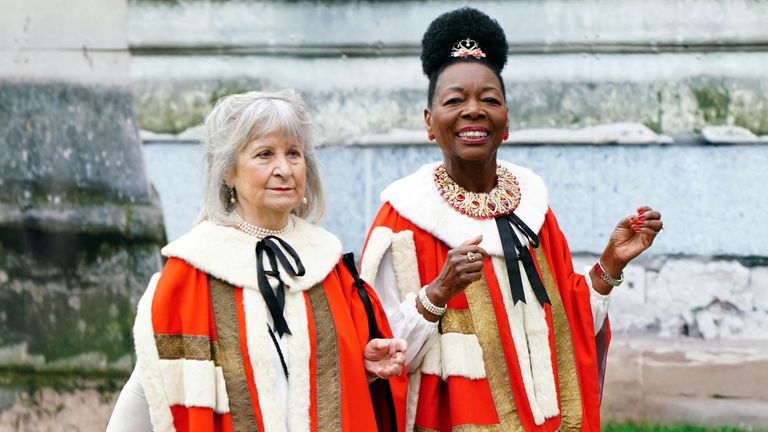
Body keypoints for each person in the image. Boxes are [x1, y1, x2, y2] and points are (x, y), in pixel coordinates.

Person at [359, 8, 663, 431]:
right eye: (454, 101)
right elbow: (382, 354)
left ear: (507, 122)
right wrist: (438, 292)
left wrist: (610, 264)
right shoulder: (403, 220)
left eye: (489, 100)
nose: (473, 110)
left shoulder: (532, 210)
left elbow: (569, 324)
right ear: (429, 123)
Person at [106, 90, 407, 432]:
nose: (284, 169)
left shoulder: (329, 266)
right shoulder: (193, 269)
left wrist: (359, 367)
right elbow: (153, 384)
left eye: (293, 153)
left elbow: (323, 390)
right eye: (264, 154)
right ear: (228, 172)